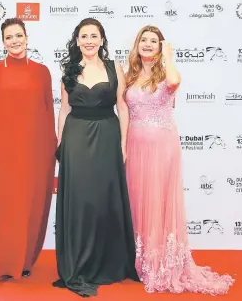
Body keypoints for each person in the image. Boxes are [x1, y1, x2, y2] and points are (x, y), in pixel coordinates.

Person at [124, 25, 235, 295]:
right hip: (135, 146)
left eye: (154, 41)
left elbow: (173, 82)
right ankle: (138, 260)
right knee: (138, 200)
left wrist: (169, 58)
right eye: (144, 40)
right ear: (136, 45)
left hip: (163, 147)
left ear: (161, 47)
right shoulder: (130, 75)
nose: (148, 45)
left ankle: (161, 263)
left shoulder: (167, 73)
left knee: (158, 201)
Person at [54, 18, 139, 297]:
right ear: (77, 40)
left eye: (94, 35)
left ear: (102, 39)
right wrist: (61, 142)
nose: (89, 40)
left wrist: (124, 143)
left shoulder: (115, 68)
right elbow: (65, 110)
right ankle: (80, 262)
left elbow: (123, 109)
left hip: (107, 135)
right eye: (84, 36)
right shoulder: (68, 69)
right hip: (76, 137)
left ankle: (107, 261)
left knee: (104, 197)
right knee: (81, 200)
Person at [0, 17, 57, 282]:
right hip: (4, 152)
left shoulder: (42, 71)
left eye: (18, 35)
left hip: (36, 151)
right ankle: (6, 263)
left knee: (32, 207)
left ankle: (25, 261)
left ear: (27, 37)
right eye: (9, 37)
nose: (15, 41)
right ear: (2, 42)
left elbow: (48, 113)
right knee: (8, 208)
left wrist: (52, 150)